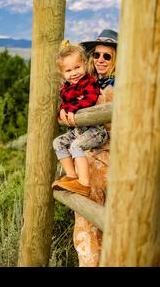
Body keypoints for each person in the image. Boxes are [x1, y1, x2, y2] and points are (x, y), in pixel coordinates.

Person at [72, 29, 118, 267]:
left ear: (116, 60)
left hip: (109, 157)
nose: (100, 59)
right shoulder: (92, 84)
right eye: (97, 55)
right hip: (100, 156)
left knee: (89, 216)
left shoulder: (116, 88)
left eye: (107, 56)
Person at [51, 40, 108, 197]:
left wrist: (70, 109)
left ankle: (84, 184)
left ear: (84, 64)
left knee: (76, 145)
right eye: (69, 70)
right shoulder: (66, 89)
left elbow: (89, 99)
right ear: (62, 74)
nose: (74, 73)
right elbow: (66, 104)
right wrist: (62, 110)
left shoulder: (89, 83)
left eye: (77, 67)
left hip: (96, 131)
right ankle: (72, 176)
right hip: (79, 131)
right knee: (58, 143)